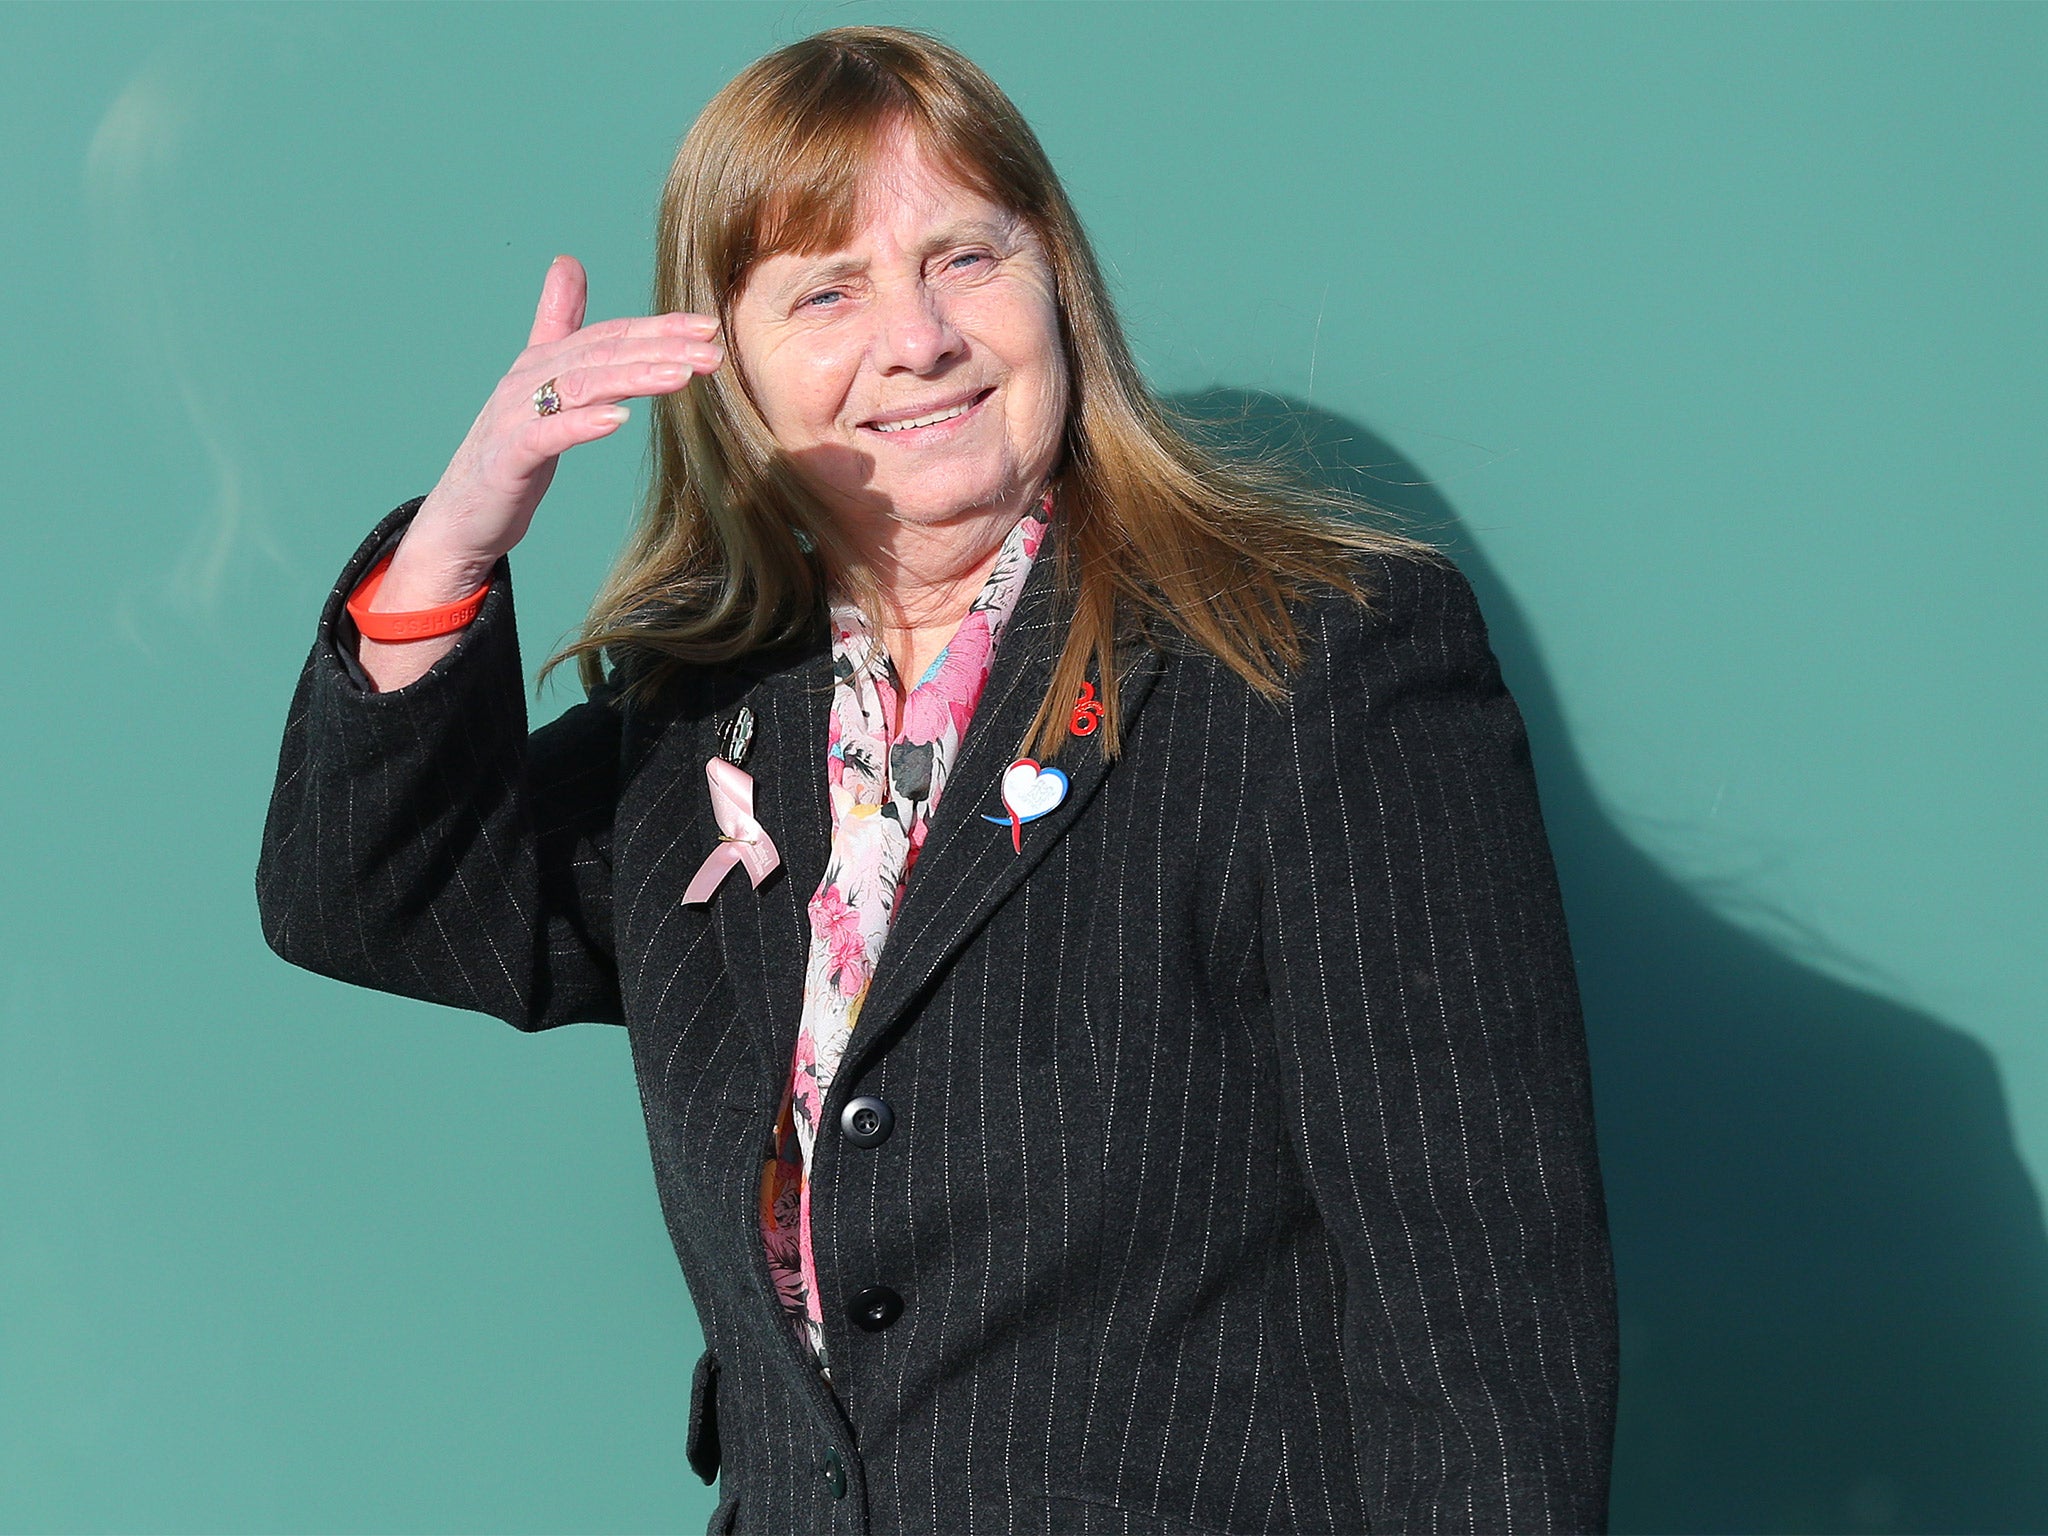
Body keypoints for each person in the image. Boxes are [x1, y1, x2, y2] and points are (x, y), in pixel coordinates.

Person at [257, 25, 1617, 1536]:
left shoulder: (1310, 669)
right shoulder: (712, 720)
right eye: (826, 290)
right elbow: (375, 899)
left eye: (965, 257)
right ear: (729, 368)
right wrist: (457, 541)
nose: (916, 338)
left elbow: (1484, 1337)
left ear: (1057, 284)